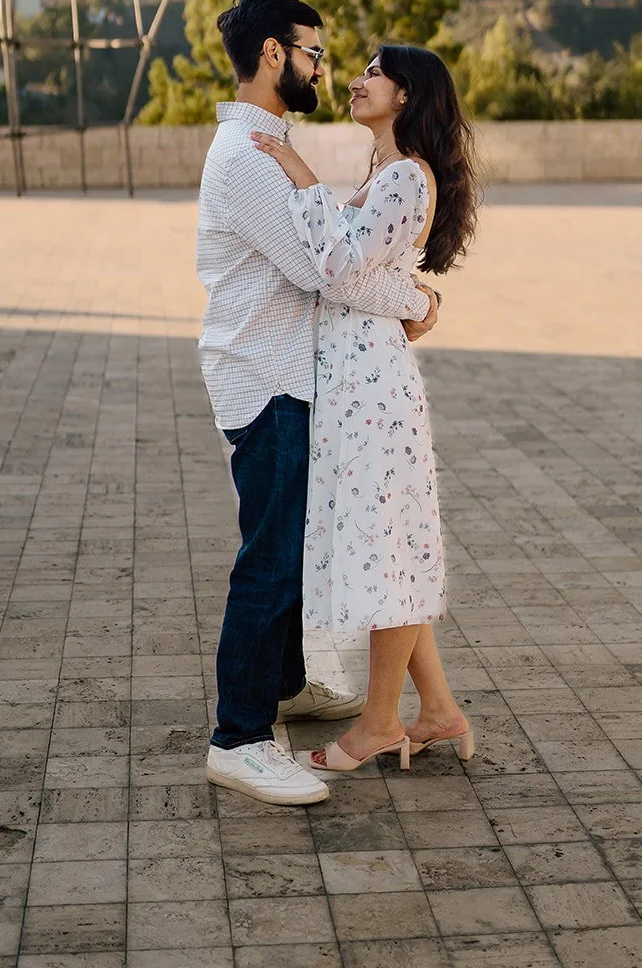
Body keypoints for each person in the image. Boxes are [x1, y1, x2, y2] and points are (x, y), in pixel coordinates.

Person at [197, 0, 440, 807]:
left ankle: (290, 687)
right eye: (312, 51)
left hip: (285, 369)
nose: (322, 67)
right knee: (267, 561)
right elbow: (327, 266)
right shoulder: (249, 157)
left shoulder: (267, 147)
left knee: (288, 551)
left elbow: (334, 248)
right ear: (273, 54)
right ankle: (236, 737)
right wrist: (416, 304)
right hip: (264, 374)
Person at [251, 43, 480, 773]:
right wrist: (415, 297)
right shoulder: (387, 174)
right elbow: (352, 272)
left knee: (389, 552)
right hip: (356, 381)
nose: (356, 80)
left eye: (374, 73)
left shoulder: (406, 176)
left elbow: (341, 274)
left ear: (407, 95)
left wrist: (302, 179)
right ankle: (438, 714)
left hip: (372, 388)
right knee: (392, 548)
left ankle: (378, 725)